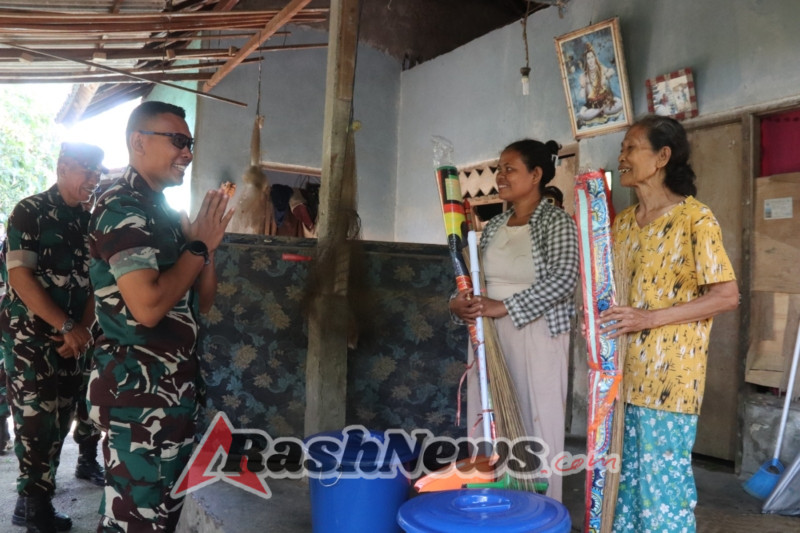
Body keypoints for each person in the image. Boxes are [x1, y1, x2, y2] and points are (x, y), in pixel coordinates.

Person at [87, 100, 233, 532]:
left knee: (156, 514)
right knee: (136, 517)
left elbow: (201, 301)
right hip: (136, 396)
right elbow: (148, 307)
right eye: (178, 141)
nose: (187, 152)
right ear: (138, 142)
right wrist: (196, 248)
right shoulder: (121, 208)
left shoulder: (163, 213)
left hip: (172, 392)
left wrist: (204, 250)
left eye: (190, 143)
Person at [599, 115, 739, 532]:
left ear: (662, 156)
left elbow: (726, 296)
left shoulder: (695, 218)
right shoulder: (622, 224)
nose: (621, 157)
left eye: (630, 148)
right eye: (622, 149)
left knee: (663, 494)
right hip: (621, 379)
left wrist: (650, 318)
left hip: (669, 382)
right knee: (622, 489)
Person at [449, 139, 579, 502]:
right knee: (490, 417)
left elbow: (565, 278)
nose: (500, 176)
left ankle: (540, 510)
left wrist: (502, 307)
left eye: (510, 169)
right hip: (489, 335)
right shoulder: (493, 226)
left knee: (535, 418)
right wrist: (459, 303)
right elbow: (473, 281)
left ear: (536, 175)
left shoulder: (556, 222)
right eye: (499, 169)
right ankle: (492, 504)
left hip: (536, 335)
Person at [1, 142, 105, 532]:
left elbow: (96, 283)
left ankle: (38, 501)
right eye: (86, 170)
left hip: (73, 339)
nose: (93, 179)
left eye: (98, 172)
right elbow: (19, 277)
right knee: (33, 418)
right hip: (30, 338)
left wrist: (82, 331)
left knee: (62, 415)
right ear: (63, 167)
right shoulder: (30, 212)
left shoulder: (91, 221)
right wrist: (66, 326)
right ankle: (31, 504)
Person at [577, 42, 623, 125]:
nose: (590, 60)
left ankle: (602, 110)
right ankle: (600, 111)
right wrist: (583, 87)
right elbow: (582, 95)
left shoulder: (601, 69)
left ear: (595, 58)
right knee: (582, 114)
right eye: (588, 58)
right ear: (586, 61)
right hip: (592, 104)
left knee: (620, 103)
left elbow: (612, 71)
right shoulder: (583, 76)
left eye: (592, 57)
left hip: (604, 101)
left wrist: (605, 76)